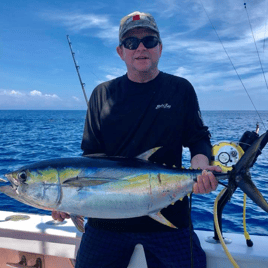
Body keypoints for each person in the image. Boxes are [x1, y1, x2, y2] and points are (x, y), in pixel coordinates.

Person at [52, 11, 221, 268]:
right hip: (107, 222)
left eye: (149, 41)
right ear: (121, 52)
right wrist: (67, 201)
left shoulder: (180, 89)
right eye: (131, 42)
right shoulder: (102, 94)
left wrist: (201, 168)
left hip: (170, 216)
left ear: (160, 48)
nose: (141, 47)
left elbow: (198, 139)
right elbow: (90, 160)